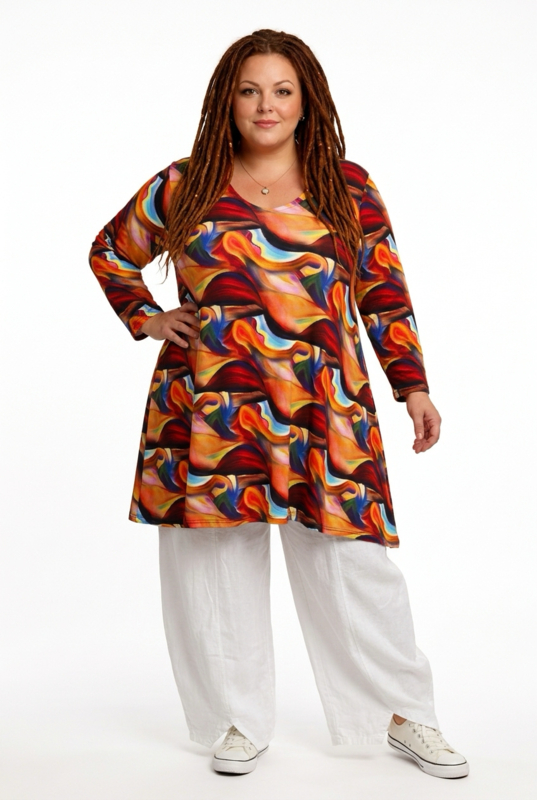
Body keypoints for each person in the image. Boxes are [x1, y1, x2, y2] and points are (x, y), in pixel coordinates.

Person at [89, 29, 469, 780]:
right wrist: (149, 318)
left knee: (353, 564)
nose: (266, 106)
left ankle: (401, 717)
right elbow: (110, 252)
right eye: (250, 90)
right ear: (226, 100)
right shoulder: (185, 184)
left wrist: (413, 386)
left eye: (282, 91)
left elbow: (383, 293)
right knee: (214, 563)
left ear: (306, 102)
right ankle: (235, 720)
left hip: (323, 407)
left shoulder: (346, 187)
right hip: (210, 407)